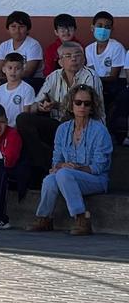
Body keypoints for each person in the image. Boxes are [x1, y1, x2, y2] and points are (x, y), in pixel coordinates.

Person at [16, 41, 103, 192]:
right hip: (60, 126)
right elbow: (36, 103)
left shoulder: (91, 76)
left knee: (68, 125)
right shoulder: (53, 76)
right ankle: (46, 166)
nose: (73, 59)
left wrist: (57, 105)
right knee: (23, 119)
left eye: (77, 55)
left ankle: (51, 170)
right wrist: (41, 106)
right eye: (68, 56)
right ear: (60, 60)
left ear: (84, 59)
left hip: (85, 127)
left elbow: (86, 108)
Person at [27, 84, 112, 236]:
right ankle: (44, 218)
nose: (82, 107)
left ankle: (81, 218)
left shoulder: (100, 131)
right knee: (50, 180)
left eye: (87, 103)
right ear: (71, 105)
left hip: (95, 179)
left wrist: (74, 169)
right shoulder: (63, 129)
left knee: (64, 174)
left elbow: (99, 167)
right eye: (78, 102)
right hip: (67, 175)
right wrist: (60, 166)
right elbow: (56, 159)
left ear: (92, 107)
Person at [0, 11, 43, 86]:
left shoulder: (33, 45)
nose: (17, 30)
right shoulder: (4, 45)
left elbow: (28, 72)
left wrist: (8, 80)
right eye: (13, 26)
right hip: (7, 79)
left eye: (21, 27)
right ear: (8, 29)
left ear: (28, 29)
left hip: (31, 81)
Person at [0, 53, 35, 126]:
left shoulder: (27, 89)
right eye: (10, 68)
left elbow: (25, 115)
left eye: (17, 68)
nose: (13, 71)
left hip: (19, 128)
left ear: (23, 70)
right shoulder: (0, 89)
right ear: (3, 69)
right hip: (2, 127)